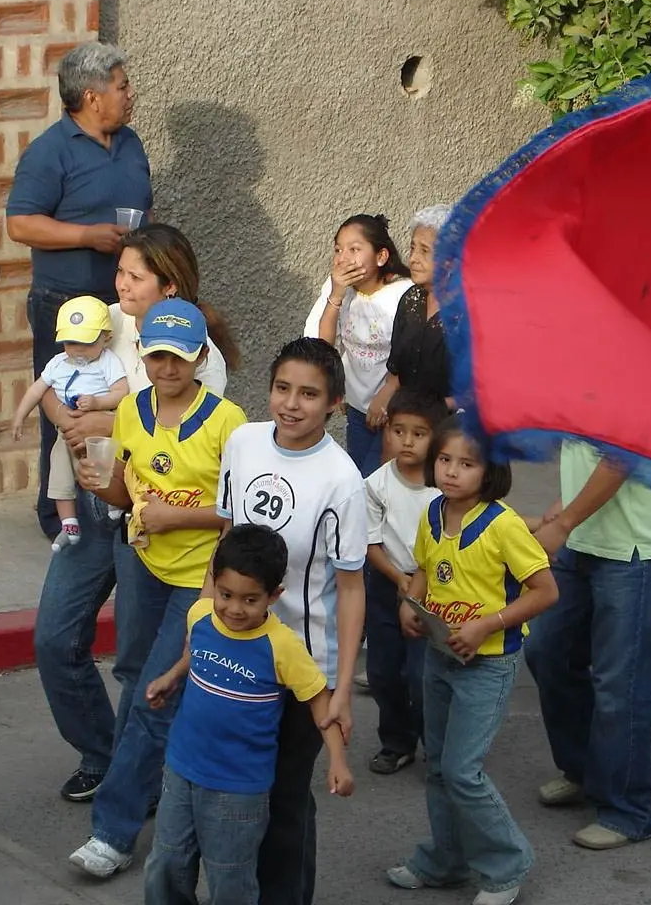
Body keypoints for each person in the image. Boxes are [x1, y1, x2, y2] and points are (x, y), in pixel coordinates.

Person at [34, 223, 239, 804]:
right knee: (52, 639)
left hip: (146, 521)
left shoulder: (208, 360)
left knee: (137, 667)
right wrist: (66, 418)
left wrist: (100, 421)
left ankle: (133, 779)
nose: (119, 283)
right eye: (119, 271)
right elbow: (50, 381)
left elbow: (172, 427)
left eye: (133, 275)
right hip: (95, 505)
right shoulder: (100, 316)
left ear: (169, 287)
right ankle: (108, 755)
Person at [66, 298, 247, 879]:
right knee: (134, 678)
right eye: (157, 356)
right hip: (142, 565)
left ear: (199, 357)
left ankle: (113, 832)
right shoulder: (131, 411)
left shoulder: (228, 422)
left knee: (154, 695)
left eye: (178, 356)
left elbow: (237, 515)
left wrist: (176, 517)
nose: (167, 367)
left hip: (198, 578)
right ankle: (149, 789)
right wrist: (101, 487)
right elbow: (124, 490)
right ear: (143, 357)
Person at [216, 337, 368, 905]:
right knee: (232, 793)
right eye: (283, 388)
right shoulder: (244, 443)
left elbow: (351, 591)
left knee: (284, 802)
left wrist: (342, 691)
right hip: (237, 655)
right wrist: (202, 632)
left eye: (309, 394)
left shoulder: (342, 480)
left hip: (302, 671)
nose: (291, 404)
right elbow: (226, 544)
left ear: (333, 403)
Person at [386, 415, 558, 905]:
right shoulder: (433, 512)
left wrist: (488, 623)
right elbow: (421, 568)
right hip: (440, 657)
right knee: (439, 765)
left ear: (491, 471)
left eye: (467, 463)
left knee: (463, 771)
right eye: (444, 459)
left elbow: (545, 591)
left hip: (488, 664)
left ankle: (508, 866)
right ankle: (445, 861)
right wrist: (409, 602)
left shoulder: (503, 526)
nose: (452, 472)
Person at [142, 524, 355, 905]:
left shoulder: (282, 646)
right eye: (225, 595)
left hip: (238, 790)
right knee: (166, 864)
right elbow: (195, 653)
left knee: (231, 882)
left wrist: (337, 760)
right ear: (214, 583)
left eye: (249, 599)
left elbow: (319, 700)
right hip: (181, 771)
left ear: (274, 596)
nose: (234, 609)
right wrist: (172, 677)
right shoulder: (201, 615)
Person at [5, 41, 152, 540]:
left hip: (121, 306)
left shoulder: (130, 143)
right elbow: (21, 224)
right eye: (122, 86)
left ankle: (109, 501)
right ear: (92, 97)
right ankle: (61, 516)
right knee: (66, 407)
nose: (131, 94)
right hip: (65, 306)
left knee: (118, 404)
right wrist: (86, 236)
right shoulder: (49, 151)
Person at [525, 440, 651, 850]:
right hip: (585, 534)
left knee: (623, 685)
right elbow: (586, 448)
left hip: (638, 548)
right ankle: (585, 772)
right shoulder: (580, 376)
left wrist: (564, 522)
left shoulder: (643, 376)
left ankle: (629, 811)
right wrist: (565, 504)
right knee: (548, 651)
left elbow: (623, 456)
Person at [363, 388, 446, 774]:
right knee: (382, 669)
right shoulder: (376, 484)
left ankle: (440, 746)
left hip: (433, 588)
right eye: (399, 431)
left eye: (419, 433)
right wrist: (397, 577)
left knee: (421, 674)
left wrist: (417, 584)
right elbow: (370, 542)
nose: (407, 441)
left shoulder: (444, 488)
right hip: (386, 584)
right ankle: (396, 741)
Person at [10, 295, 129, 552]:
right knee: (60, 474)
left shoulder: (107, 361)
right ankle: (68, 523)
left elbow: (122, 391)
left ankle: (113, 507)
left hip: (98, 432)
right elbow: (37, 390)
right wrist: (20, 416)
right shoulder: (57, 364)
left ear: (105, 338)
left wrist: (97, 403)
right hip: (65, 434)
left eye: (85, 343)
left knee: (102, 470)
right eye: (70, 342)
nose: (77, 349)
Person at [305, 214, 412, 476]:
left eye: (354, 249)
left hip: (396, 409)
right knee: (357, 478)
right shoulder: (338, 289)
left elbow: (411, 351)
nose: (344, 258)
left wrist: (389, 392)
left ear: (381, 257)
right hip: (356, 409)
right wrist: (337, 296)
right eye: (338, 250)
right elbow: (323, 346)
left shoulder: (404, 293)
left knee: (373, 483)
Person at [371, 204, 457, 416]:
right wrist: (386, 392)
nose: (413, 259)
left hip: (449, 430)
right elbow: (398, 371)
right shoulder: (411, 300)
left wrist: (434, 409)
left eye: (425, 251)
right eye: (412, 248)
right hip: (406, 421)